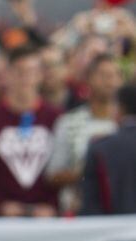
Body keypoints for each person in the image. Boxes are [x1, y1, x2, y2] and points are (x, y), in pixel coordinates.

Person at [0, 46, 60, 217]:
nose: (26, 79)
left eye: (32, 72)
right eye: (20, 72)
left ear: (40, 75)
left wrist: (52, 206)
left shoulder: (57, 119)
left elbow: (64, 171)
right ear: (8, 74)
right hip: (0, 221)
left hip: (47, 219)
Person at [46, 53, 121, 215]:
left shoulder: (127, 125)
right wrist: (85, 172)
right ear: (88, 79)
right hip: (80, 213)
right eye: (103, 75)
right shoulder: (69, 122)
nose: (110, 81)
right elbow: (52, 176)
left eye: (115, 75)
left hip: (123, 214)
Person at [80, 84, 136, 215]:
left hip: (112, 229)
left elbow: (90, 203)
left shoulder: (100, 148)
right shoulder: (100, 147)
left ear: (120, 109)